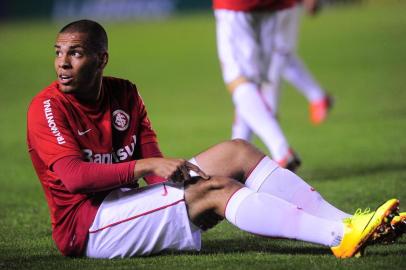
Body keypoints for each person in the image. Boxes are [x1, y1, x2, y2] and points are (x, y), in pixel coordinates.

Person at [27, 20, 404, 260]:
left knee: (236, 150)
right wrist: (169, 179)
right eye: (59, 53)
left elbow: (158, 171)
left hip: (121, 203)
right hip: (88, 228)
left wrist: (177, 186)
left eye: (75, 53)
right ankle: (338, 236)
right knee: (218, 190)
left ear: (101, 59)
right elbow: (75, 177)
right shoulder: (47, 107)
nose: (62, 62)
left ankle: (357, 222)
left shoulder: (124, 93)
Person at [212, 0, 301, 170]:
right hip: (273, 6)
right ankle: (236, 161)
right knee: (252, 84)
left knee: (238, 79)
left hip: (236, 5)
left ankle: (281, 150)